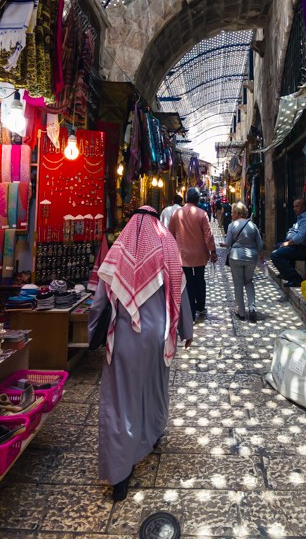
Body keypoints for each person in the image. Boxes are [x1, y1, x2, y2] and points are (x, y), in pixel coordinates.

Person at [88, 206, 193, 502]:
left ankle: (120, 476)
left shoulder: (119, 251)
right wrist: (186, 329)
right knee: (154, 389)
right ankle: (154, 432)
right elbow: (180, 289)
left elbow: (99, 303)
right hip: (158, 338)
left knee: (122, 401)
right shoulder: (167, 247)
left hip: (125, 341)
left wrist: (92, 334)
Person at [169, 187, 217, 320]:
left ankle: (190, 311)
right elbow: (208, 235)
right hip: (199, 255)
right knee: (200, 280)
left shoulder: (177, 214)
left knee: (188, 282)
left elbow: (170, 234)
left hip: (183, 255)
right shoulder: (202, 214)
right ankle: (200, 306)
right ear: (197, 199)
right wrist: (212, 251)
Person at [221, 202, 263, 322]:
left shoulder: (231, 225)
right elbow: (259, 244)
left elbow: (228, 243)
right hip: (251, 258)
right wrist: (261, 256)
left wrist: (225, 244)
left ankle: (241, 312)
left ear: (238, 213)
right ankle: (252, 308)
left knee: (238, 284)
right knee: (249, 281)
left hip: (236, 257)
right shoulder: (253, 225)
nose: (232, 214)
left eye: (233, 212)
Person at [271, 198, 306, 288]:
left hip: (303, 248)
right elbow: (292, 230)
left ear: (303, 207)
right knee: (277, 247)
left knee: (275, 255)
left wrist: (288, 243)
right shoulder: (301, 217)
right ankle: (286, 273)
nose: (294, 209)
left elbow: (300, 237)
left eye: (297, 206)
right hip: (296, 245)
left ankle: (295, 278)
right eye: (294, 206)